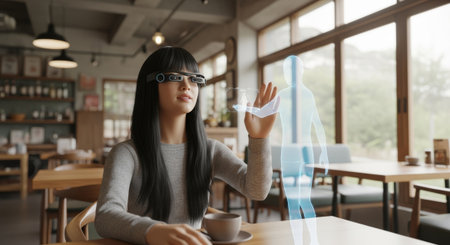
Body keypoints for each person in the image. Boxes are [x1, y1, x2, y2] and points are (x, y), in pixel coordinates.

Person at [95, 46, 278, 245]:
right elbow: (106, 216)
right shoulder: (127, 154)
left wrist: (259, 138)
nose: (186, 85)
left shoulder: (211, 151)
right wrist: (153, 231)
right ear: (150, 85)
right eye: (174, 77)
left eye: (194, 79)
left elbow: (257, 191)